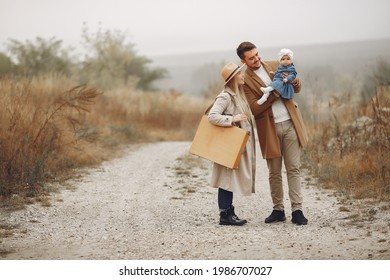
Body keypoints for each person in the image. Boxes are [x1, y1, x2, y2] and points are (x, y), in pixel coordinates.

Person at [236, 42, 309, 225]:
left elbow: (297, 88)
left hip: (290, 123)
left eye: (257, 54)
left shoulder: (277, 65)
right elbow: (255, 108)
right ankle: (278, 210)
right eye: (251, 58)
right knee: (274, 172)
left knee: (293, 168)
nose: (257, 59)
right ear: (243, 61)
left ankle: (297, 210)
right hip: (269, 129)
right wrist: (276, 93)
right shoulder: (245, 80)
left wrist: (293, 82)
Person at [208, 62, 256, 226]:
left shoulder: (238, 95)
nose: (243, 75)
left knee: (229, 177)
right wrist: (232, 119)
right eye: (240, 74)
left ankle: (229, 211)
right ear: (233, 78)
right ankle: (225, 215)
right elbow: (212, 116)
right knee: (226, 178)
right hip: (228, 144)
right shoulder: (226, 96)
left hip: (236, 144)